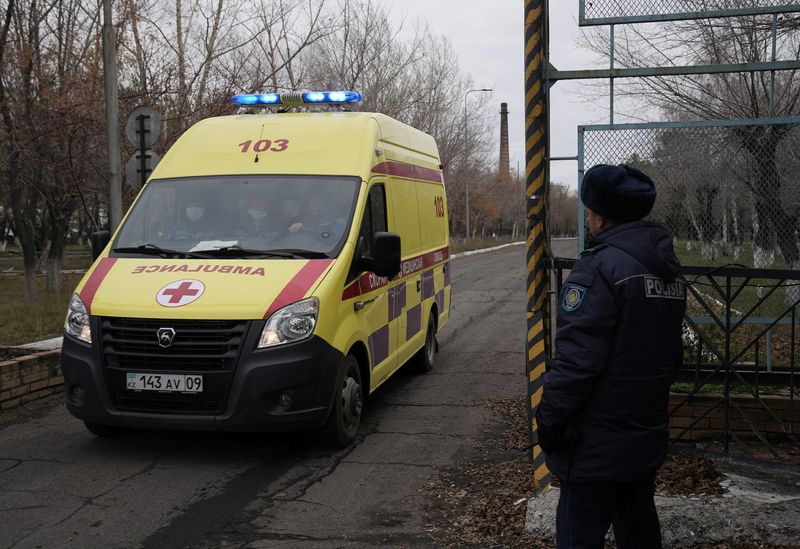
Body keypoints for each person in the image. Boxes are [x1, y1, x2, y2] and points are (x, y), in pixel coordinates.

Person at [535, 164, 686, 548]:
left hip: (594, 446)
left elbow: (577, 362)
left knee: (578, 536)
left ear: (599, 217)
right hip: (644, 435)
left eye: (589, 212)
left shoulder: (599, 269)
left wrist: (550, 419)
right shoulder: (666, 270)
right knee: (638, 532)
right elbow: (672, 354)